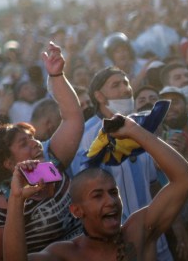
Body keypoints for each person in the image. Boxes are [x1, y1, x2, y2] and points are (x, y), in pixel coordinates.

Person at [2, 115, 188, 261]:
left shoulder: (137, 232)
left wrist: (135, 131)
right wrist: (17, 198)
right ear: (77, 210)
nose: (111, 201)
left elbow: (186, 179)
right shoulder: (67, 254)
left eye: (114, 193)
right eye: (97, 196)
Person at [0, 44, 84, 261]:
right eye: (24, 144)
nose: (36, 144)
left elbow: (73, 116)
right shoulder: (1, 206)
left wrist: (56, 75)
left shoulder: (52, 162)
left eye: (33, 138)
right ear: (8, 163)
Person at [70, 66, 174, 260]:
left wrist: (174, 228)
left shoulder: (140, 127)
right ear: (99, 96)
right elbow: (86, 196)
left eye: (126, 83)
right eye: (116, 85)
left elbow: (152, 184)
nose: (125, 89)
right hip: (119, 248)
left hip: (156, 240)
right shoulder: (88, 135)